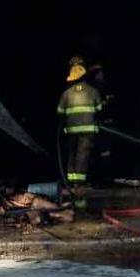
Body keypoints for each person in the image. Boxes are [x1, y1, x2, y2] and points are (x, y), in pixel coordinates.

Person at [57, 57, 103, 208]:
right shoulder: (93, 92)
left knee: (71, 157)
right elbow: (100, 110)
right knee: (82, 160)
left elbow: (59, 113)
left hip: (71, 132)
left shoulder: (66, 94)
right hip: (88, 132)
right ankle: (80, 197)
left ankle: (71, 191)